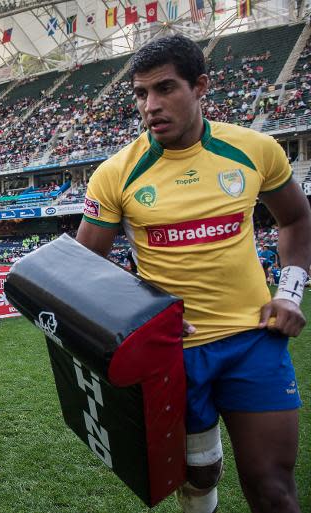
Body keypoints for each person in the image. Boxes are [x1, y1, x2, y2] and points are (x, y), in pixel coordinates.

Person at [75, 35, 310, 513]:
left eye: (165, 89)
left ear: (200, 86)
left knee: (273, 488)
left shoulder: (255, 150)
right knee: (197, 480)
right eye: (141, 94)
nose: (151, 106)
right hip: (173, 354)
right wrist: (138, 316)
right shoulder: (116, 172)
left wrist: (289, 292)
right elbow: (81, 267)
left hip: (253, 341)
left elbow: (297, 220)